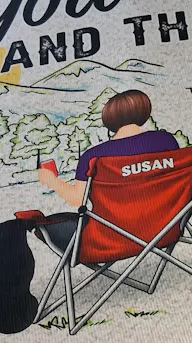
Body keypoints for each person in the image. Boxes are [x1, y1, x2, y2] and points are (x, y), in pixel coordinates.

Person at [37, 89, 178, 249]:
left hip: (110, 239)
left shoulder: (93, 156)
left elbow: (77, 199)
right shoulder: (166, 141)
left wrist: (51, 180)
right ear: (144, 111)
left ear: (109, 119)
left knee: (47, 225)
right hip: (167, 228)